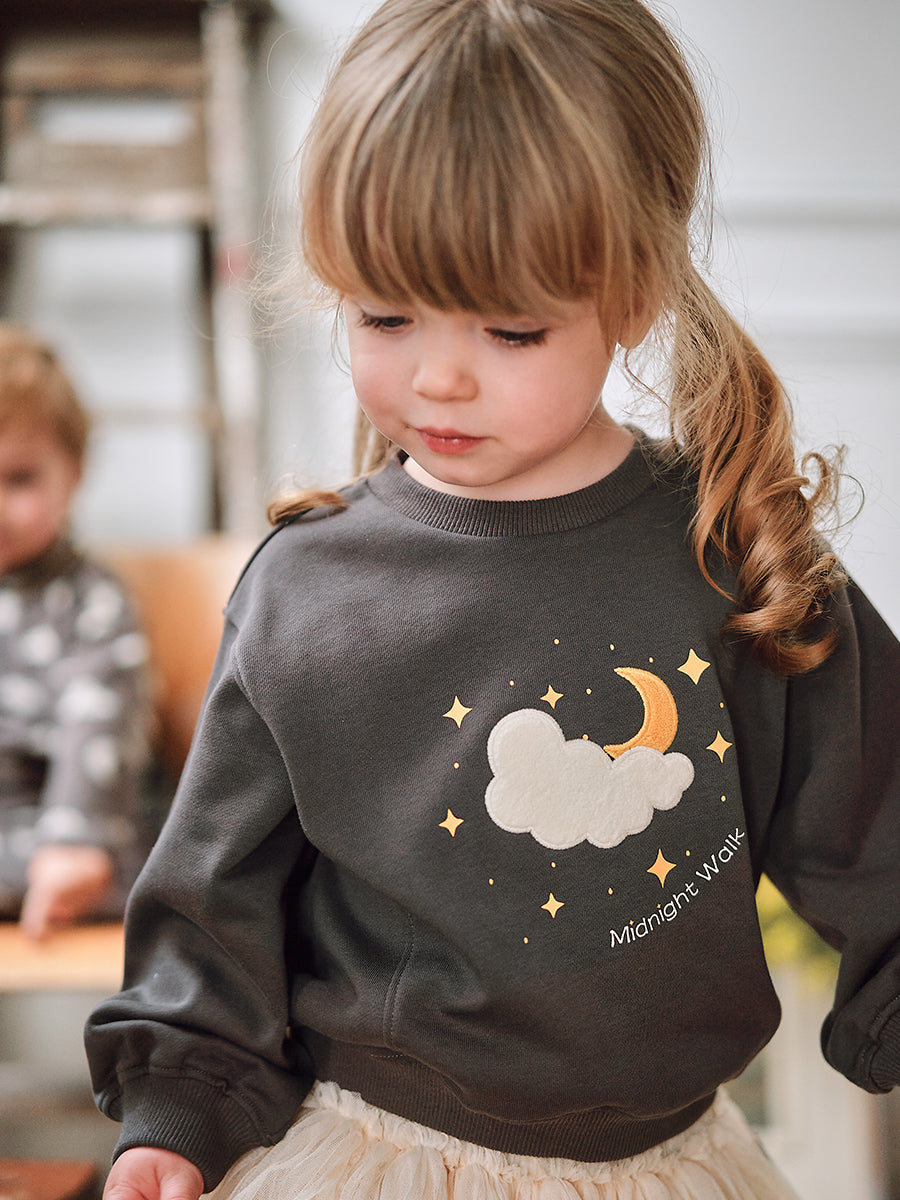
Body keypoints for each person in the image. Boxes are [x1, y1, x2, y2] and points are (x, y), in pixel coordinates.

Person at [85, 1, 900, 1197]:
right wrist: (177, 1109)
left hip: (677, 1163)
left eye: (511, 329)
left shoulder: (742, 559)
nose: (439, 377)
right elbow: (217, 896)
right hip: (378, 1156)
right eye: (384, 314)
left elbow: (881, 836)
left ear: (637, 291)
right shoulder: (310, 589)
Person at [0, 324, 152, 940]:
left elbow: (99, 723)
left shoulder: (89, 600)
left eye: (19, 480)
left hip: (60, 829)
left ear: (75, 473)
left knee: (129, 859)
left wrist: (74, 838)